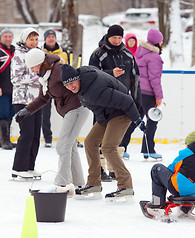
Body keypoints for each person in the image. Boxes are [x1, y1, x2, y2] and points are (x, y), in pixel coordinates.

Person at [63, 64, 146, 201]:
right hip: (106, 115)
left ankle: (126, 186)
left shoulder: (96, 89)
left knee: (108, 147)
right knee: (90, 142)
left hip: (122, 113)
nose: (70, 87)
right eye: (66, 85)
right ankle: (94, 183)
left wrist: (137, 119)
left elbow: (127, 100)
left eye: (72, 82)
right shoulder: (82, 86)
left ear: (77, 78)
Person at [15, 49, 89, 187]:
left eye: (33, 67)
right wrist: (27, 110)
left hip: (77, 108)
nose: (32, 71)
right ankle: (78, 183)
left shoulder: (59, 69)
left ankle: (62, 183)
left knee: (63, 145)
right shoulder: (44, 77)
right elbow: (43, 98)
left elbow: (79, 80)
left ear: (41, 63)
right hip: (69, 112)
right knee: (70, 146)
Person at [89, 24, 141, 179]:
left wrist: (136, 101)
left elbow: (135, 79)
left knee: (116, 138)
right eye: (114, 37)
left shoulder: (128, 55)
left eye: (119, 37)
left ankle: (113, 169)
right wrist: (110, 73)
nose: (117, 40)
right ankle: (100, 170)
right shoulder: (98, 54)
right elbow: (91, 75)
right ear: (108, 36)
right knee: (99, 138)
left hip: (121, 102)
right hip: (102, 103)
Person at [144, 130, 195, 216]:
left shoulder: (185, 154)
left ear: (189, 144)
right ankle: (186, 207)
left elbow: (170, 170)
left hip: (180, 189)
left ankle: (157, 204)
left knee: (157, 169)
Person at [10, 28, 42, 179]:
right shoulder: (19, 55)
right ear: (24, 40)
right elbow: (15, 79)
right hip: (22, 100)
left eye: (36, 39)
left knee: (35, 134)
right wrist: (35, 76)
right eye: (31, 39)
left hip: (38, 100)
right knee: (27, 133)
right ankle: (19, 167)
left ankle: (29, 167)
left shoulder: (39, 54)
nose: (34, 42)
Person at [135, 28, 164, 160]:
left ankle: (121, 146)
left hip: (138, 91)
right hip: (149, 93)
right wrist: (159, 96)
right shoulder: (154, 57)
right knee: (152, 120)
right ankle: (149, 150)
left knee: (134, 119)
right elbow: (154, 79)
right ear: (157, 42)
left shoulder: (140, 53)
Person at [41, 29, 69, 148]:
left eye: (53, 37)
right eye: (49, 37)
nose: (51, 39)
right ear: (45, 39)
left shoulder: (63, 53)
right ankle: (48, 138)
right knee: (45, 114)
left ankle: (70, 136)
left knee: (66, 113)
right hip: (46, 87)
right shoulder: (40, 52)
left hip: (60, 87)